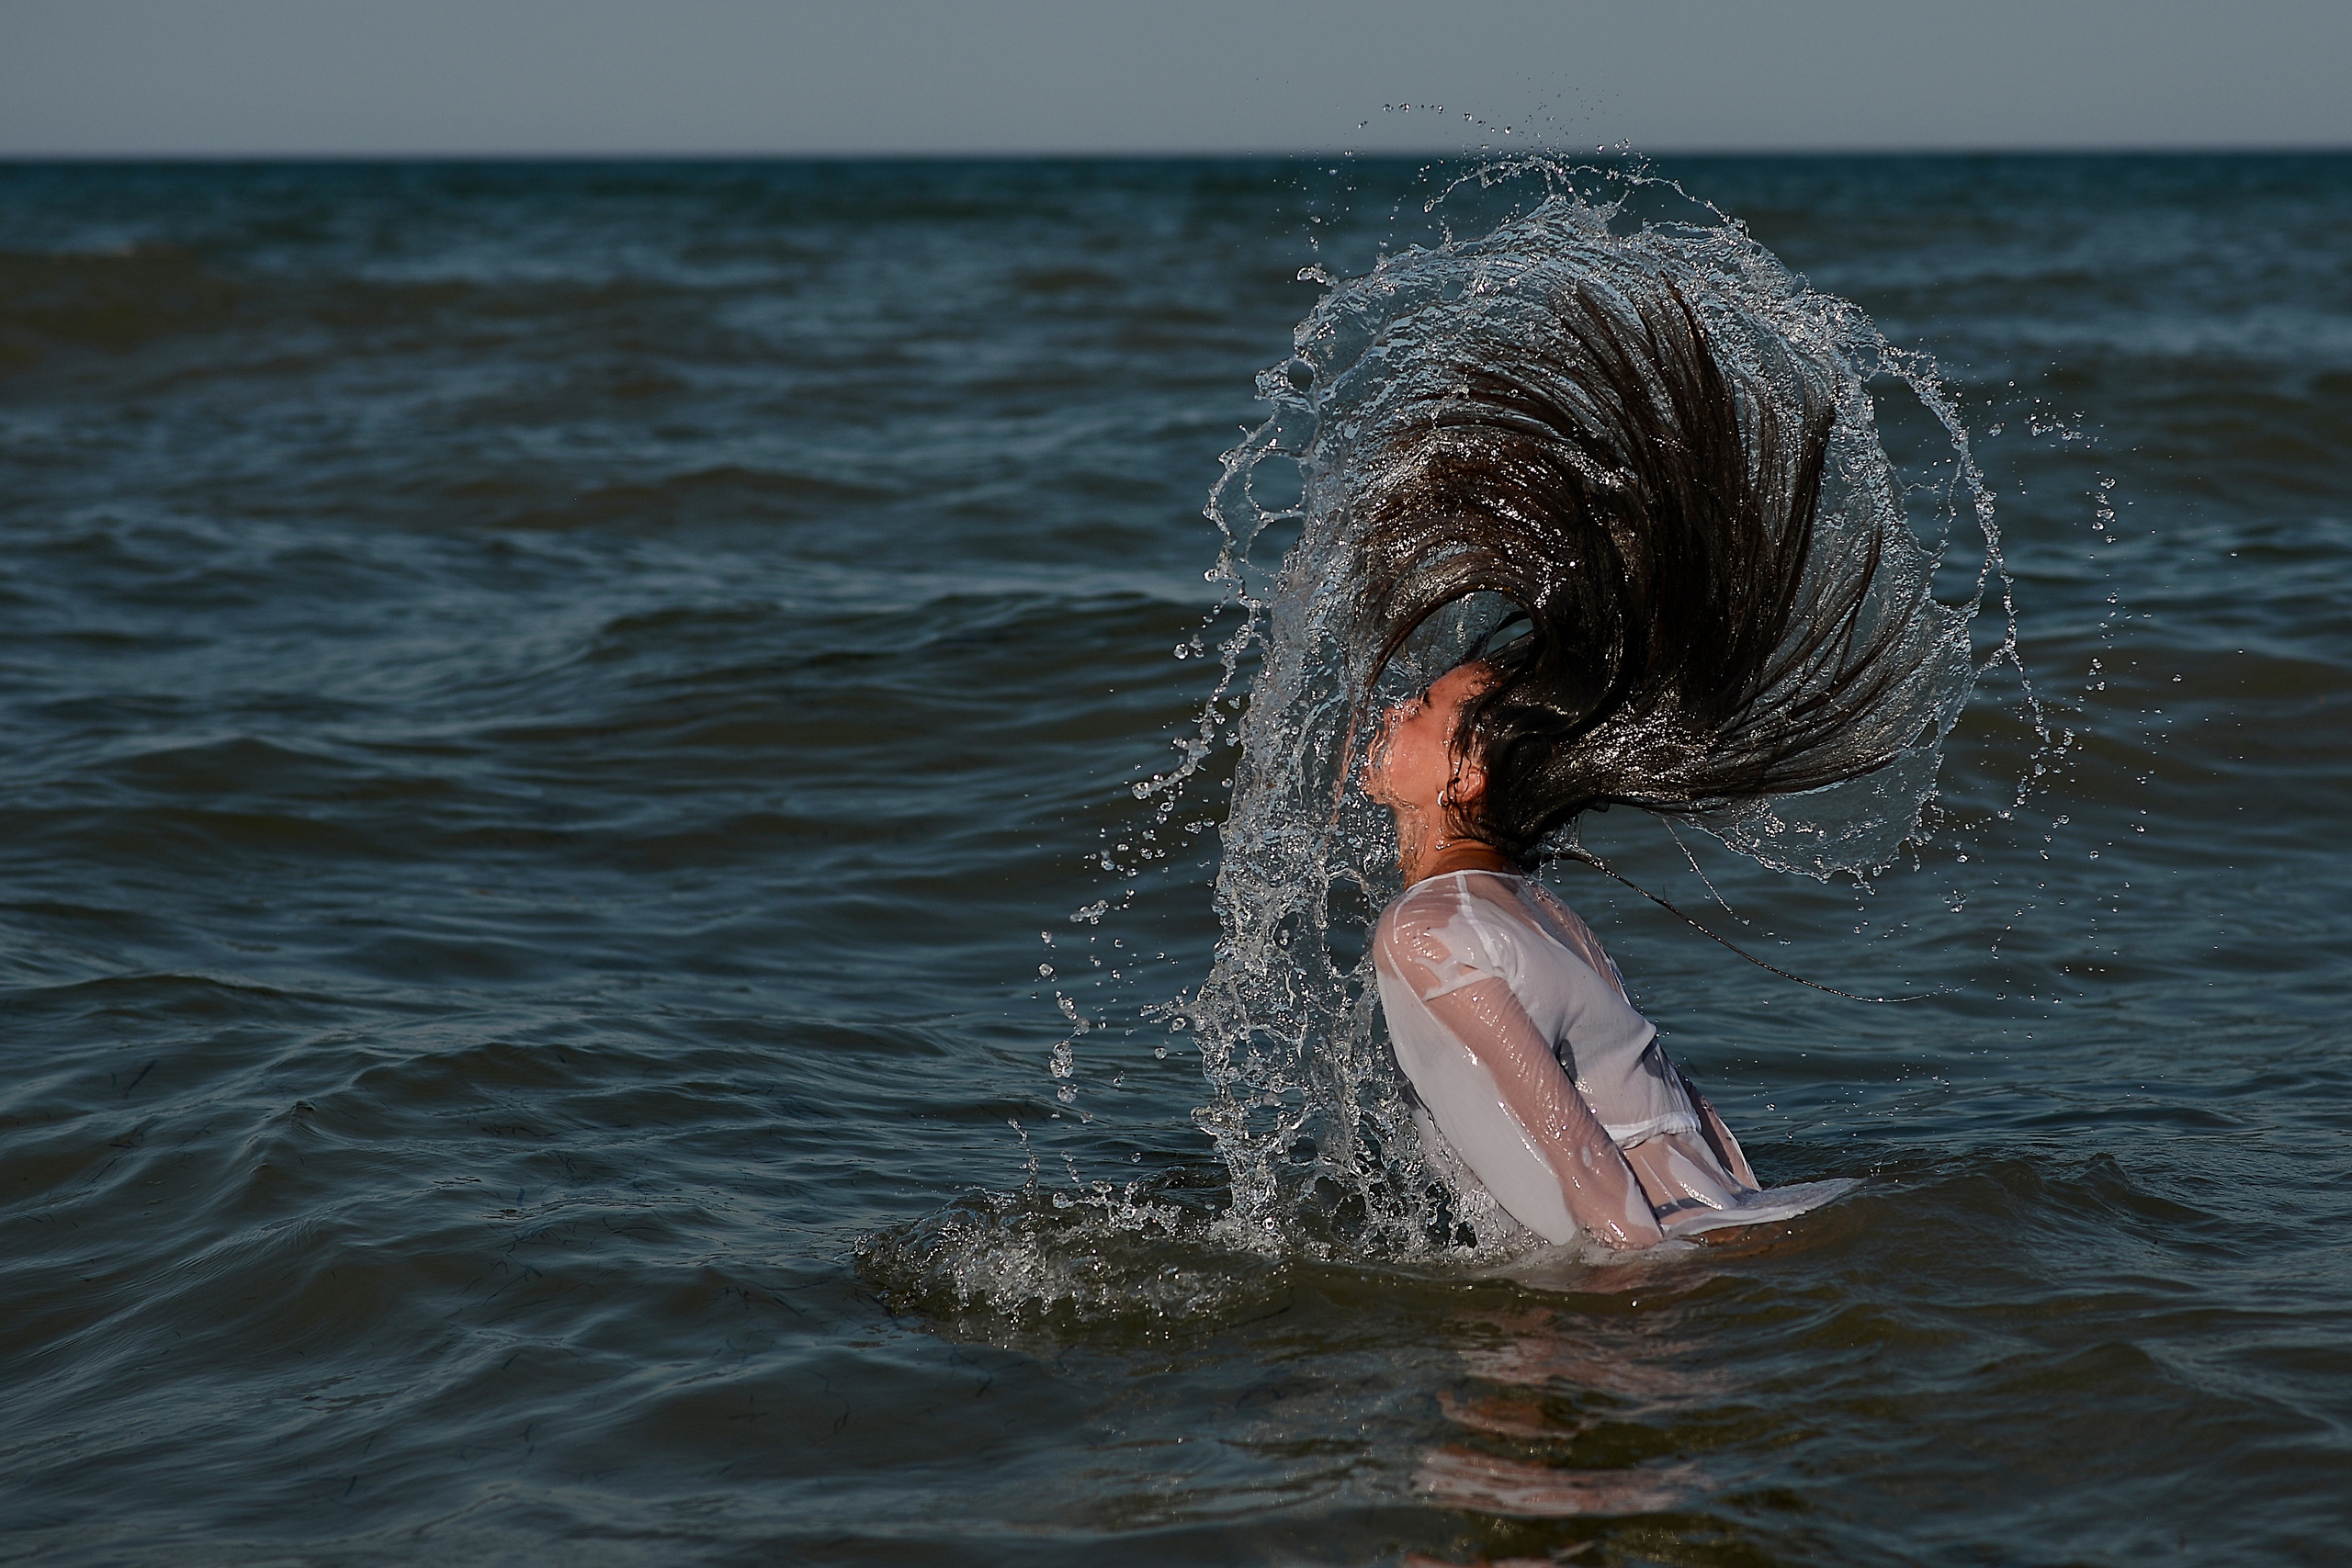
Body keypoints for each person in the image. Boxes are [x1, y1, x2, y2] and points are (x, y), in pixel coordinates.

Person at [1346, 275, 1947, 1248]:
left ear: (1467, 778)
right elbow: (1695, 1124)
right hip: (1737, 1218)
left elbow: (1584, 1159)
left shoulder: (1427, 934)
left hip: (1661, 1261)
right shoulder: (1537, 913)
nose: (1389, 714)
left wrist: (1638, 1320)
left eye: (1417, 708)